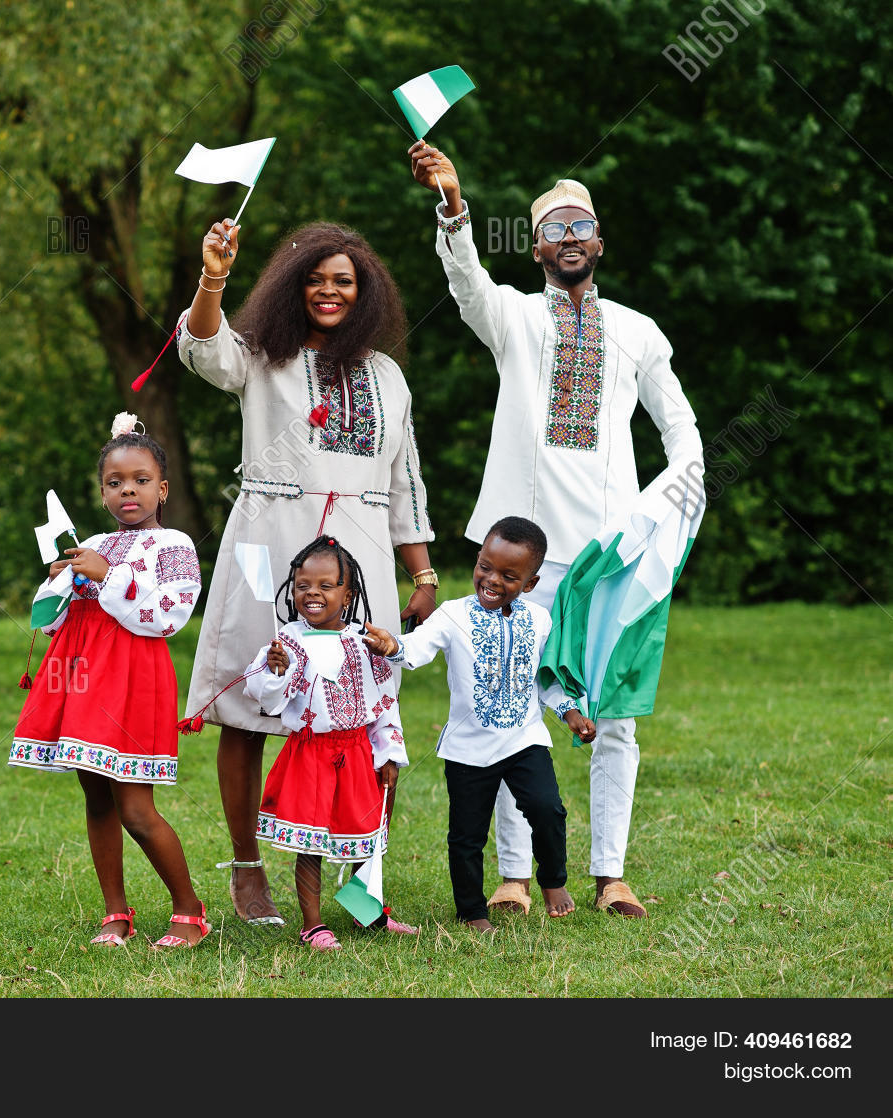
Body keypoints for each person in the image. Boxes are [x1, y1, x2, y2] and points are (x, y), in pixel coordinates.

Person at [408, 140, 704, 917]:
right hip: (521, 561)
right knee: (506, 713)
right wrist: (452, 206)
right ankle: (512, 876)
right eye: (555, 227)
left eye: (583, 225)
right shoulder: (516, 318)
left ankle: (611, 877)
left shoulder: (639, 331)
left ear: (599, 242)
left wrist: (666, 506)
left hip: (609, 560)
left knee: (613, 721)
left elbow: (683, 430)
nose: (570, 237)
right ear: (538, 247)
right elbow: (467, 282)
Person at [178, 218, 439, 927]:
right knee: (251, 706)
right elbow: (202, 349)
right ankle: (247, 869)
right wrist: (213, 275)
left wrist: (423, 575)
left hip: (363, 554)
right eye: (316, 280)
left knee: (368, 715)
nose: (329, 292)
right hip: (270, 543)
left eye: (344, 282)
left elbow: (406, 479)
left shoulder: (387, 376)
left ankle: (363, 886)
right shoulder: (263, 355)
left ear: (366, 294)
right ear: (294, 289)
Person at [9, 412, 210, 949]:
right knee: (95, 796)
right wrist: (58, 583)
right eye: (115, 482)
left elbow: (167, 615)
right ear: (101, 491)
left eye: (141, 481)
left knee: (136, 808)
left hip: (132, 678)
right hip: (80, 674)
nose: (128, 491)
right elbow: (50, 621)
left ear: (162, 488)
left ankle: (189, 908)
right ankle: (115, 913)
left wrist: (107, 574)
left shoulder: (176, 546)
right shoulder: (94, 542)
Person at [386, 517, 596, 931]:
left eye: (508, 575)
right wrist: (391, 643)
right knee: (467, 836)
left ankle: (553, 880)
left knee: (548, 809)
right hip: (467, 747)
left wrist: (570, 713)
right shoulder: (452, 614)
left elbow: (545, 679)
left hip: (524, 739)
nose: (491, 579)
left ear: (530, 584)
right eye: (485, 566)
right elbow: (414, 650)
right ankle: (471, 911)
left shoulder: (539, 620)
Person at [242, 536, 420, 950]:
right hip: (312, 755)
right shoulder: (286, 640)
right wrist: (276, 671)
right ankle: (313, 924)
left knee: (365, 836)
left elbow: (384, 704)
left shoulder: (366, 641)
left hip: (359, 751)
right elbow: (265, 697)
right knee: (311, 841)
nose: (313, 594)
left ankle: (368, 912)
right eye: (303, 586)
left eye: (326, 586)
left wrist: (389, 751)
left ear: (348, 592)